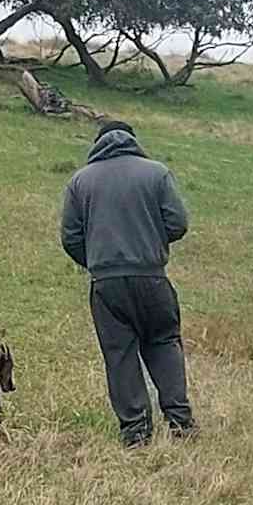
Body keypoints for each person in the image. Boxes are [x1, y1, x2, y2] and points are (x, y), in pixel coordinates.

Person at [60, 121, 196, 447]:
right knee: (164, 343)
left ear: (97, 144)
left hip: (106, 283)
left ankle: (135, 433)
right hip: (153, 276)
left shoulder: (80, 181)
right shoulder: (157, 173)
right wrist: (151, 243)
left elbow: (70, 237)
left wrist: (95, 259)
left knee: (119, 354)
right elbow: (178, 223)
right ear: (134, 141)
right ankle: (180, 423)